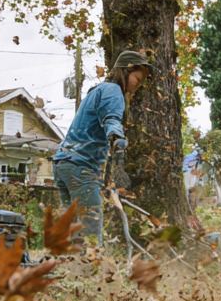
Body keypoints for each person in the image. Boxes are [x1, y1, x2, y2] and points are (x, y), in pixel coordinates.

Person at [53, 50, 153, 246]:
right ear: (127, 70)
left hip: (63, 165)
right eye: (138, 80)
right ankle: (92, 269)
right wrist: (119, 140)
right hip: (80, 168)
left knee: (74, 229)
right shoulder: (113, 91)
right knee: (90, 226)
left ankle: (75, 272)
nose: (138, 86)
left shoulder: (97, 91)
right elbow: (111, 119)